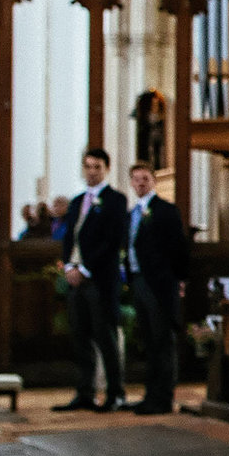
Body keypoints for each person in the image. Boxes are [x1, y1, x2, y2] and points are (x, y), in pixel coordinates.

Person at [57, 147, 128, 412]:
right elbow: (68, 238)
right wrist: (68, 267)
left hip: (99, 279)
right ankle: (84, 392)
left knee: (105, 337)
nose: (91, 172)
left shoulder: (115, 200)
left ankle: (115, 393)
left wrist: (85, 269)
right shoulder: (77, 202)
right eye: (87, 166)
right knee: (80, 337)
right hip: (76, 280)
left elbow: (113, 241)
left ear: (106, 169)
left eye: (97, 167)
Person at [124, 162, 187, 414]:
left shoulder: (165, 210)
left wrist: (179, 279)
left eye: (145, 179)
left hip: (159, 283)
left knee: (162, 340)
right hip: (139, 280)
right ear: (131, 182)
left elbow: (178, 247)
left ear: (153, 181)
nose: (140, 183)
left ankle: (163, 397)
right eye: (136, 179)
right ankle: (150, 394)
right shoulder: (132, 214)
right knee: (148, 341)